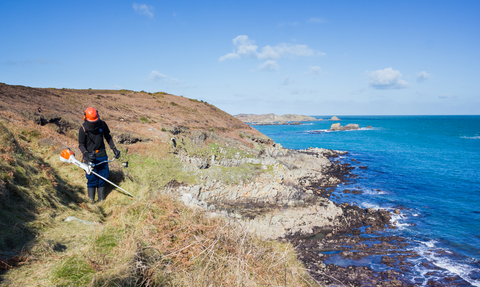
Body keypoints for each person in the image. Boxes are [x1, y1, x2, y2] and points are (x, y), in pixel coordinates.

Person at [78, 107, 120, 202]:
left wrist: (114, 149)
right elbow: (81, 144)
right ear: (85, 119)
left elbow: (108, 137)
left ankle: (101, 201)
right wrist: (86, 154)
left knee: (103, 177)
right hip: (89, 156)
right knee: (92, 178)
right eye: (91, 122)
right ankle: (91, 201)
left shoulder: (102, 124)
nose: (93, 124)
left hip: (102, 155)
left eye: (95, 122)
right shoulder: (83, 128)